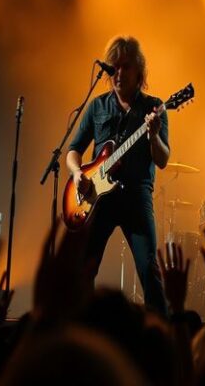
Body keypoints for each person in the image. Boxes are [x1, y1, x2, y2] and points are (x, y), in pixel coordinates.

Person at [66, 36, 170, 315]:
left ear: (139, 71)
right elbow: (73, 150)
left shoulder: (155, 107)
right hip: (97, 198)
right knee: (83, 268)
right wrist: (77, 174)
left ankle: (162, 337)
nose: (119, 73)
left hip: (136, 197)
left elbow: (162, 160)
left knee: (149, 268)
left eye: (125, 66)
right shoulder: (97, 107)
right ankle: (82, 329)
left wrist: (153, 135)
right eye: (114, 67)